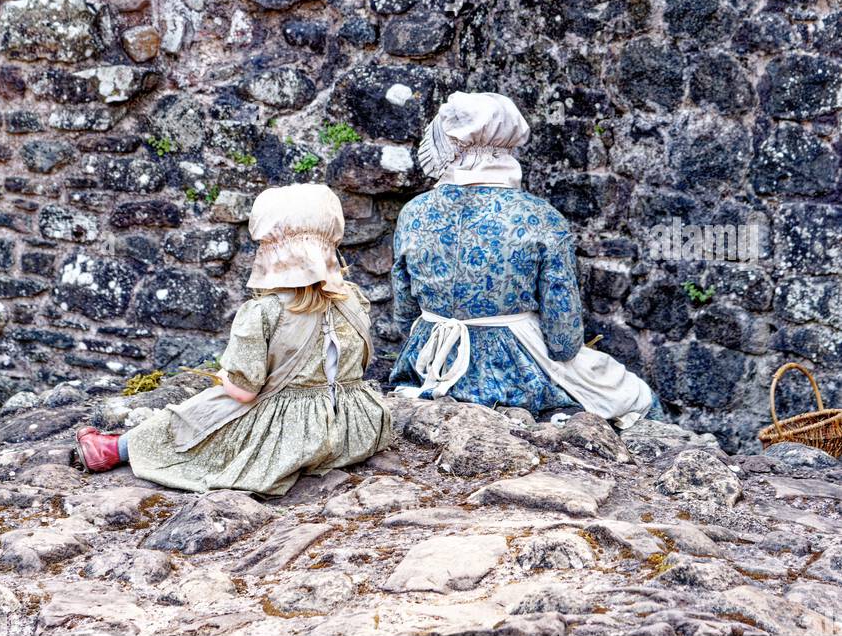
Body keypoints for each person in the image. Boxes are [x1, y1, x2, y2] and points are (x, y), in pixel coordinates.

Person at [75, 183, 392, 494]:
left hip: (298, 437)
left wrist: (225, 377)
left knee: (205, 408)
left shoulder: (264, 312)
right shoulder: (353, 299)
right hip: (355, 428)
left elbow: (244, 392)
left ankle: (114, 449)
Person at [389, 91, 664, 427]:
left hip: (426, 361)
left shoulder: (413, 212)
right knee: (637, 397)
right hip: (513, 371)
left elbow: (404, 315)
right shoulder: (541, 217)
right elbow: (563, 339)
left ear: (452, 142)